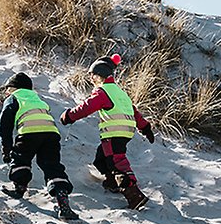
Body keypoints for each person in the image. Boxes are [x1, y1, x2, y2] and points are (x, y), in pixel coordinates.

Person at [59, 54, 155, 210]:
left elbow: (87, 107)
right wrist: (145, 127)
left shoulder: (102, 91)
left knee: (117, 163)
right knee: (101, 159)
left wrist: (69, 116)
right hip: (126, 132)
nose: (91, 79)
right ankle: (112, 183)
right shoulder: (119, 92)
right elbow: (134, 111)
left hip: (114, 132)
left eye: (93, 76)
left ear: (100, 75)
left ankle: (134, 195)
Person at [0, 72, 79, 220]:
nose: (6, 92)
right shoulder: (37, 99)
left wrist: (6, 148)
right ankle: (64, 205)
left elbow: (5, 125)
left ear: (14, 88)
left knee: (20, 159)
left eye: (8, 89)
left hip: (28, 132)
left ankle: (19, 188)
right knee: (52, 166)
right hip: (51, 134)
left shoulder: (13, 98)